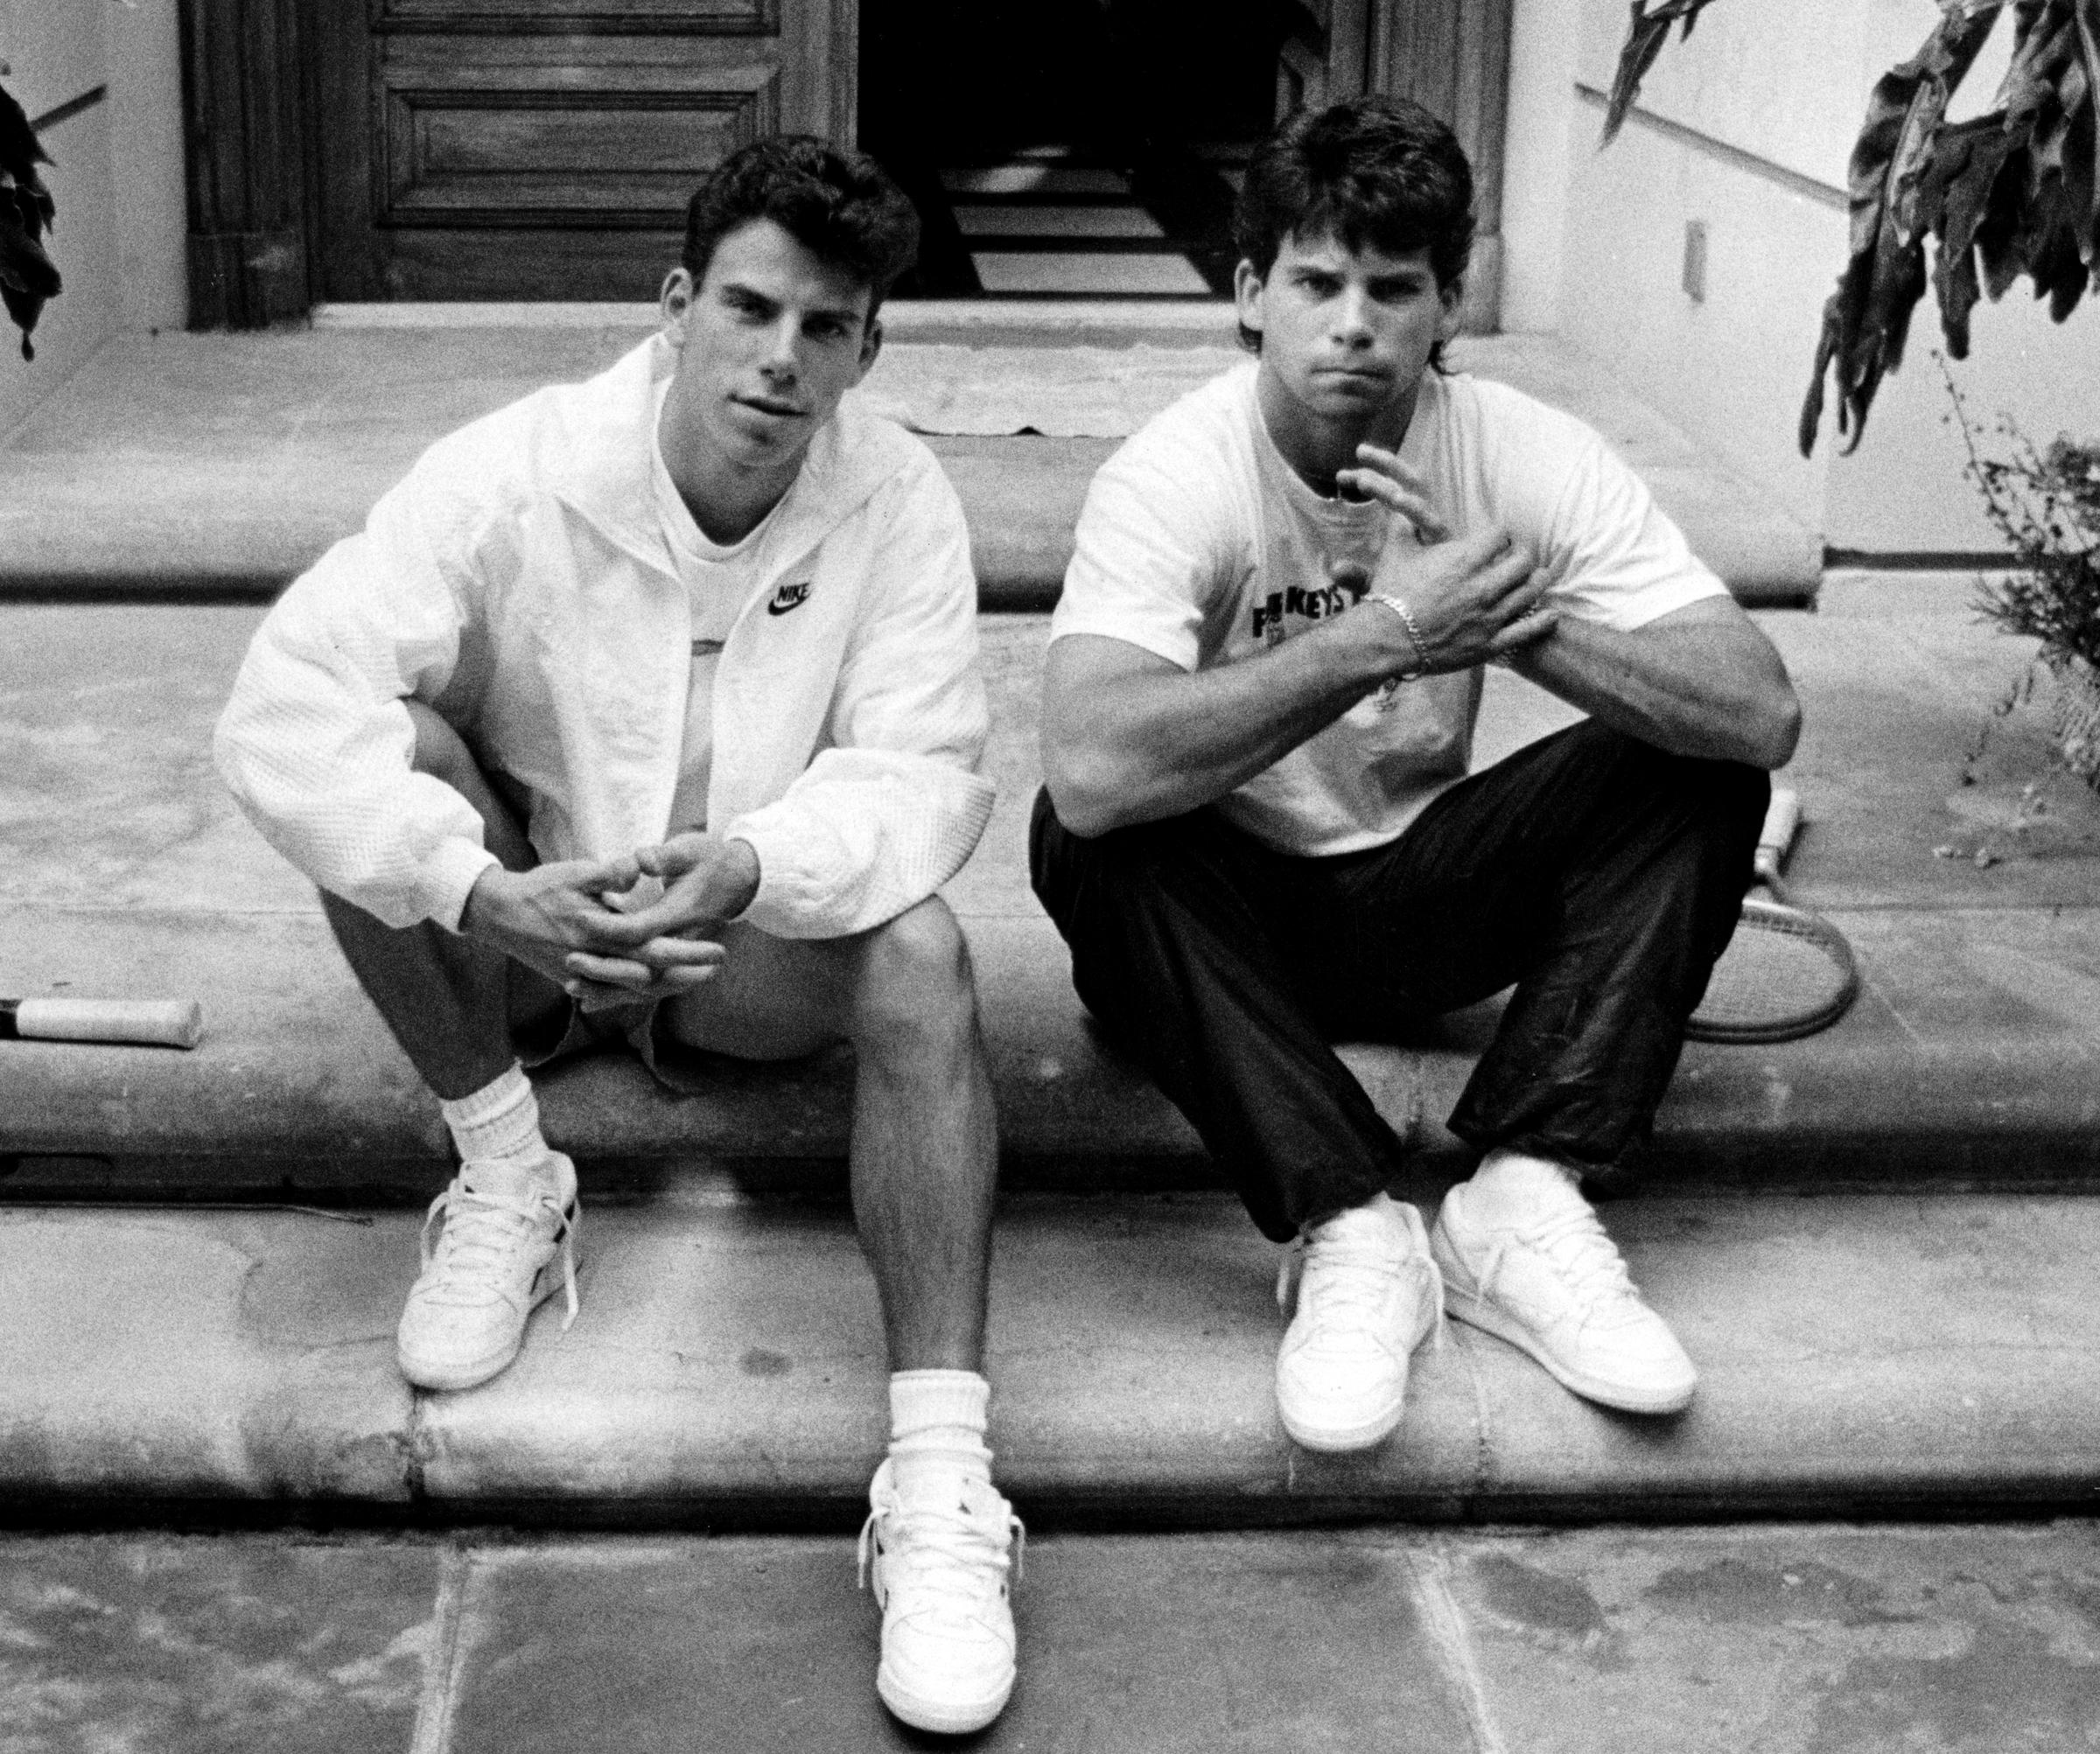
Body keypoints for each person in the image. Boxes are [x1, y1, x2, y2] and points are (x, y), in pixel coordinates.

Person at [217, 137, 1021, 1737]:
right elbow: (280, 707)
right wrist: (478, 887)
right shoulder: (519, 465)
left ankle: (941, 1481)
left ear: (870, 348)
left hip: (742, 945)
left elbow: (932, 777)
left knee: (925, 948)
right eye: (751, 309)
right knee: (385, 773)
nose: (783, 360)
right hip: (531, 940)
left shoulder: (900, 497)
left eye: (830, 327)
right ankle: (511, 1168)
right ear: (676, 305)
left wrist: (747, 860)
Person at [1032, 98, 1801, 1454]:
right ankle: (1352, 1226)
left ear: (1448, 303)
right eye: (1318, 284)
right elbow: (1094, 768)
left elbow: (1758, 706)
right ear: (1250, 292)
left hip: (1424, 899)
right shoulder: (1175, 472)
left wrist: (1510, 619)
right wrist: (1382, 634)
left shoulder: (1520, 450)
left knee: (1702, 770)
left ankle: (1522, 1193)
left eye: (1395, 289)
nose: (1353, 325)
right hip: (1224, 923)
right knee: (1079, 830)